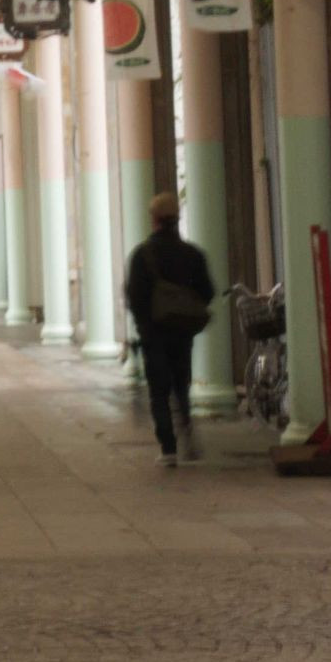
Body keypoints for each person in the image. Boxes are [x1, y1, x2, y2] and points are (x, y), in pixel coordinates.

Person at [124, 191, 214, 466]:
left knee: (158, 390)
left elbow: (134, 296)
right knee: (181, 386)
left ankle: (168, 449)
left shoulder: (142, 255)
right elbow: (207, 291)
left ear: (154, 219)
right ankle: (187, 433)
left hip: (154, 333)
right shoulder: (192, 254)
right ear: (177, 218)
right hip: (183, 332)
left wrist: (144, 325)